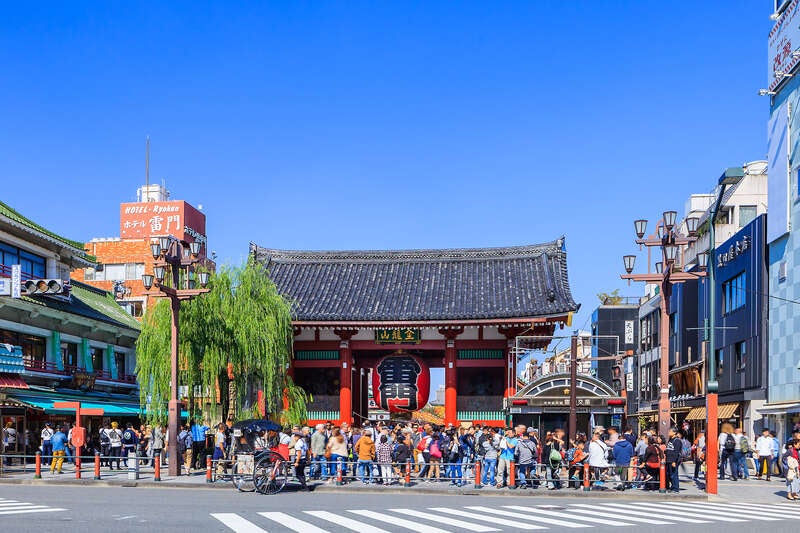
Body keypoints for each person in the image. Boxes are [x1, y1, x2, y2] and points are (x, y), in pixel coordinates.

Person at [665, 427, 683, 493]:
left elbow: (676, 452)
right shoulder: (670, 440)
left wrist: (674, 461)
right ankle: (672, 487)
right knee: (669, 474)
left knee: (674, 474)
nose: (669, 433)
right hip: (668, 459)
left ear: (674, 433)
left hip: (673, 460)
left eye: (670, 431)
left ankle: (675, 488)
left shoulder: (677, 441)